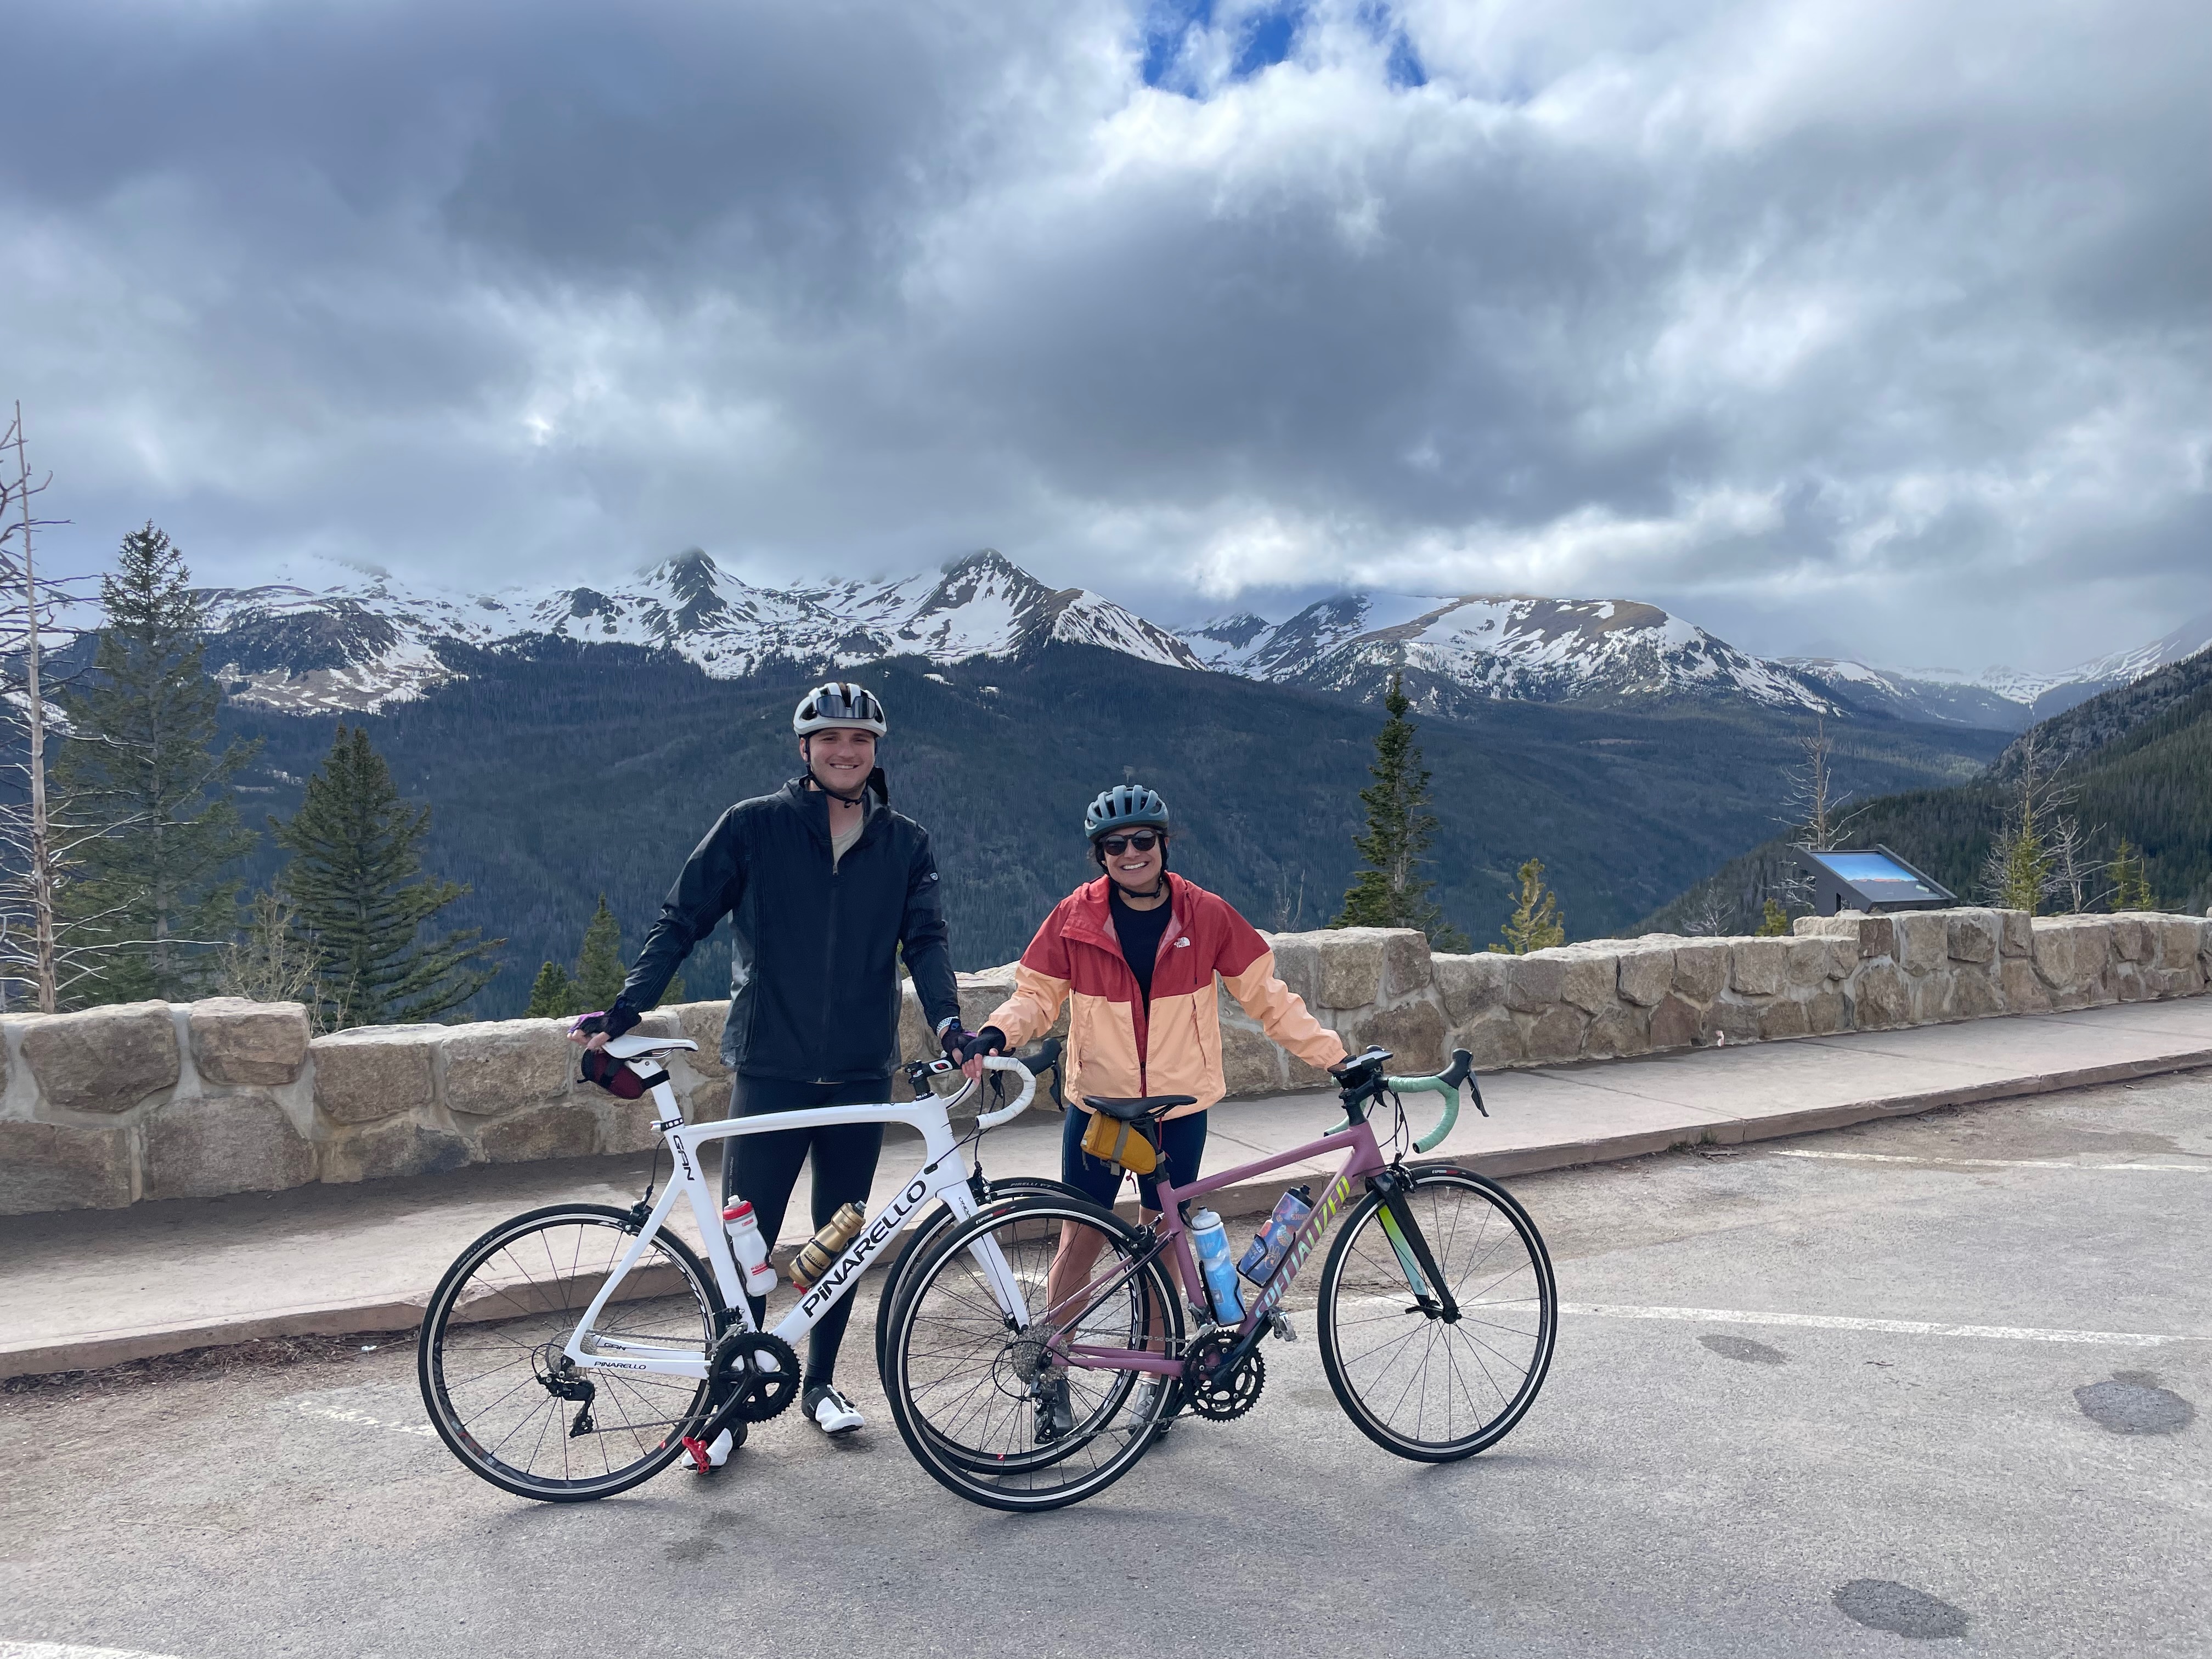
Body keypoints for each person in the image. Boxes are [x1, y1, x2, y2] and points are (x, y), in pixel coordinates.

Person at [574, 681, 967, 1459]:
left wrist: (950, 1021)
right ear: (805, 749)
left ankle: (820, 1383)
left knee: (841, 1239)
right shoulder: (754, 828)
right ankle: (728, 1411)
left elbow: (925, 941)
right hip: (770, 1066)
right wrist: (626, 1008)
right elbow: (681, 918)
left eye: (859, 740)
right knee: (745, 1248)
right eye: (830, 740)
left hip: (860, 1070)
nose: (845, 751)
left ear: (876, 751)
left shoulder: (906, 843)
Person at [958, 783, 1347, 1437]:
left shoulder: (1208, 915)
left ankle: (1162, 1384)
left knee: (1166, 1245)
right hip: (1102, 1110)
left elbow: (1268, 998)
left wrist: (1335, 1057)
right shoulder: (1074, 918)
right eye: (1116, 845)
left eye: (1143, 840)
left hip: (1179, 1107)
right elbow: (1036, 996)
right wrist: (998, 1033)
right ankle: (1052, 1377)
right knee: (1079, 1242)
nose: (1131, 853)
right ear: (1100, 854)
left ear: (1164, 844)